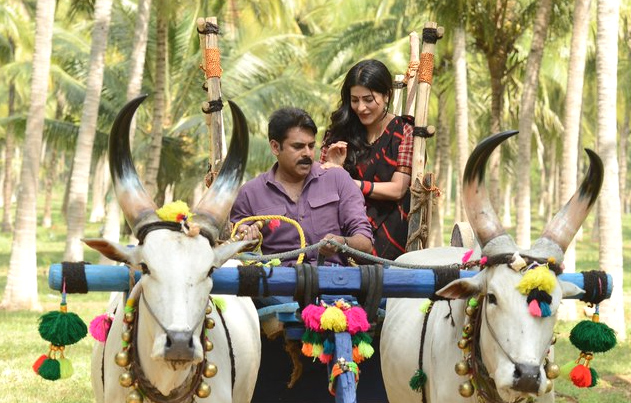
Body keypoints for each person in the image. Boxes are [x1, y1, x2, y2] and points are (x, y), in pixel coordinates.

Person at [230, 106, 373, 267]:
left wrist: (343, 243)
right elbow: (235, 250)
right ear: (275, 147)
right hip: (279, 281)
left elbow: (366, 243)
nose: (307, 153)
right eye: (298, 147)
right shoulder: (250, 193)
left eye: (311, 146)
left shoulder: (338, 179)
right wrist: (248, 242)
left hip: (334, 280)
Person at [320, 59, 414, 260]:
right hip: (341, 228)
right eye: (354, 100)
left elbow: (398, 189)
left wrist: (348, 182)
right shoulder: (337, 133)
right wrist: (333, 167)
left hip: (390, 230)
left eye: (368, 99)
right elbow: (319, 188)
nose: (361, 107)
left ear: (386, 95)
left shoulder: (403, 131)